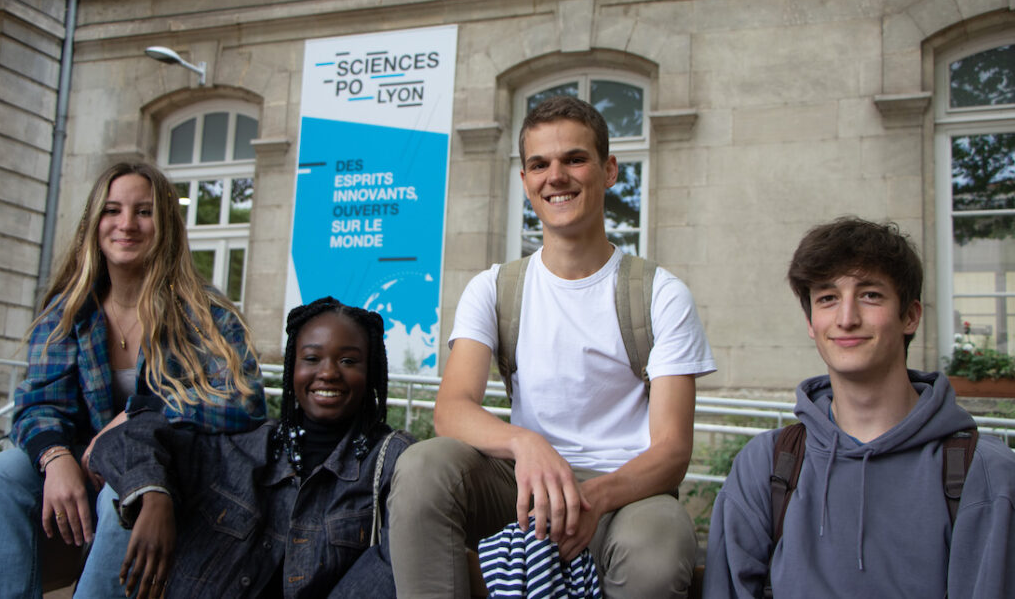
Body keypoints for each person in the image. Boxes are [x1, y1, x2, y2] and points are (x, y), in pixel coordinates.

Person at [389, 95, 717, 599]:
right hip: (524, 481)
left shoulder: (658, 293)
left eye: (575, 159)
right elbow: (451, 410)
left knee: (658, 552)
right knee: (423, 468)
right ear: (525, 182)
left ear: (609, 171)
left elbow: (672, 451)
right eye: (539, 164)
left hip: (623, 490)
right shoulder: (495, 288)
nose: (555, 176)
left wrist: (592, 498)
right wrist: (527, 444)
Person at [0, 161, 266, 599]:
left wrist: (138, 416)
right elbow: (39, 403)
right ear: (94, 222)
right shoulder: (70, 312)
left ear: (166, 225)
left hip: (176, 472)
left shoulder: (205, 312)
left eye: (144, 211)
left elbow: (245, 401)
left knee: (124, 491)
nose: (127, 224)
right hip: (89, 463)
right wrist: (55, 456)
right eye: (113, 210)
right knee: (2, 473)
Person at [703, 217, 1015, 598]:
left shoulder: (984, 474)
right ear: (811, 322)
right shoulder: (766, 467)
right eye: (828, 298)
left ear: (911, 315)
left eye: (870, 295)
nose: (847, 319)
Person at [90, 296, 414, 598]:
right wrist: (153, 495)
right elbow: (128, 437)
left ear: (370, 372)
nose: (328, 372)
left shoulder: (392, 462)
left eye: (348, 360)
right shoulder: (241, 447)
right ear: (292, 368)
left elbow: (401, 561)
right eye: (312, 358)